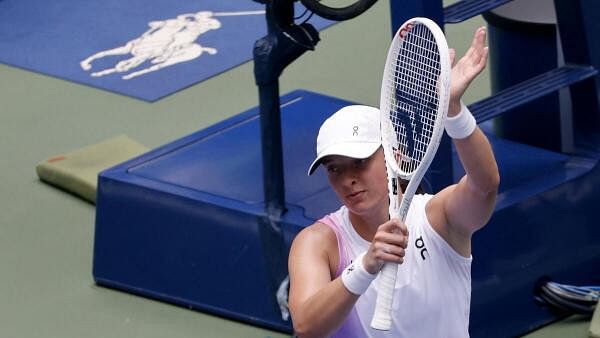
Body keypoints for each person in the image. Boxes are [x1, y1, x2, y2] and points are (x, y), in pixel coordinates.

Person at [288, 26, 499, 338]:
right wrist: (365, 265)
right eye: (335, 169)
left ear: (395, 157)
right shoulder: (319, 242)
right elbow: (306, 327)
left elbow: (485, 186)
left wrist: (454, 111)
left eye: (359, 163)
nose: (348, 180)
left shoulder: (438, 219)